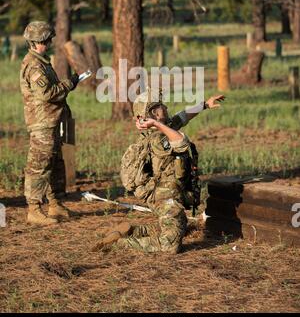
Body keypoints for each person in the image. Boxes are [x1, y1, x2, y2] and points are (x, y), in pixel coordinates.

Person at [99, 88, 225, 253]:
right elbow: (181, 141)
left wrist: (205, 105)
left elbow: (183, 116)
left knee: (179, 226)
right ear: (154, 113)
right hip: (166, 198)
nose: (165, 107)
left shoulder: (164, 127)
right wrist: (157, 125)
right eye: (160, 106)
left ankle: (133, 231)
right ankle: (120, 245)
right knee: (170, 245)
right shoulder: (159, 138)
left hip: (170, 194)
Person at [20, 21, 79, 226]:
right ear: (36, 42)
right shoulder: (34, 65)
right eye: (46, 40)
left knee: (54, 163)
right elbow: (46, 94)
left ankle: (54, 204)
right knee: (39, 165)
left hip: (52, 120)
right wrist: (68, 84)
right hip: (42, 123)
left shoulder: (42, 61)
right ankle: (34, 209)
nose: (50, 43)